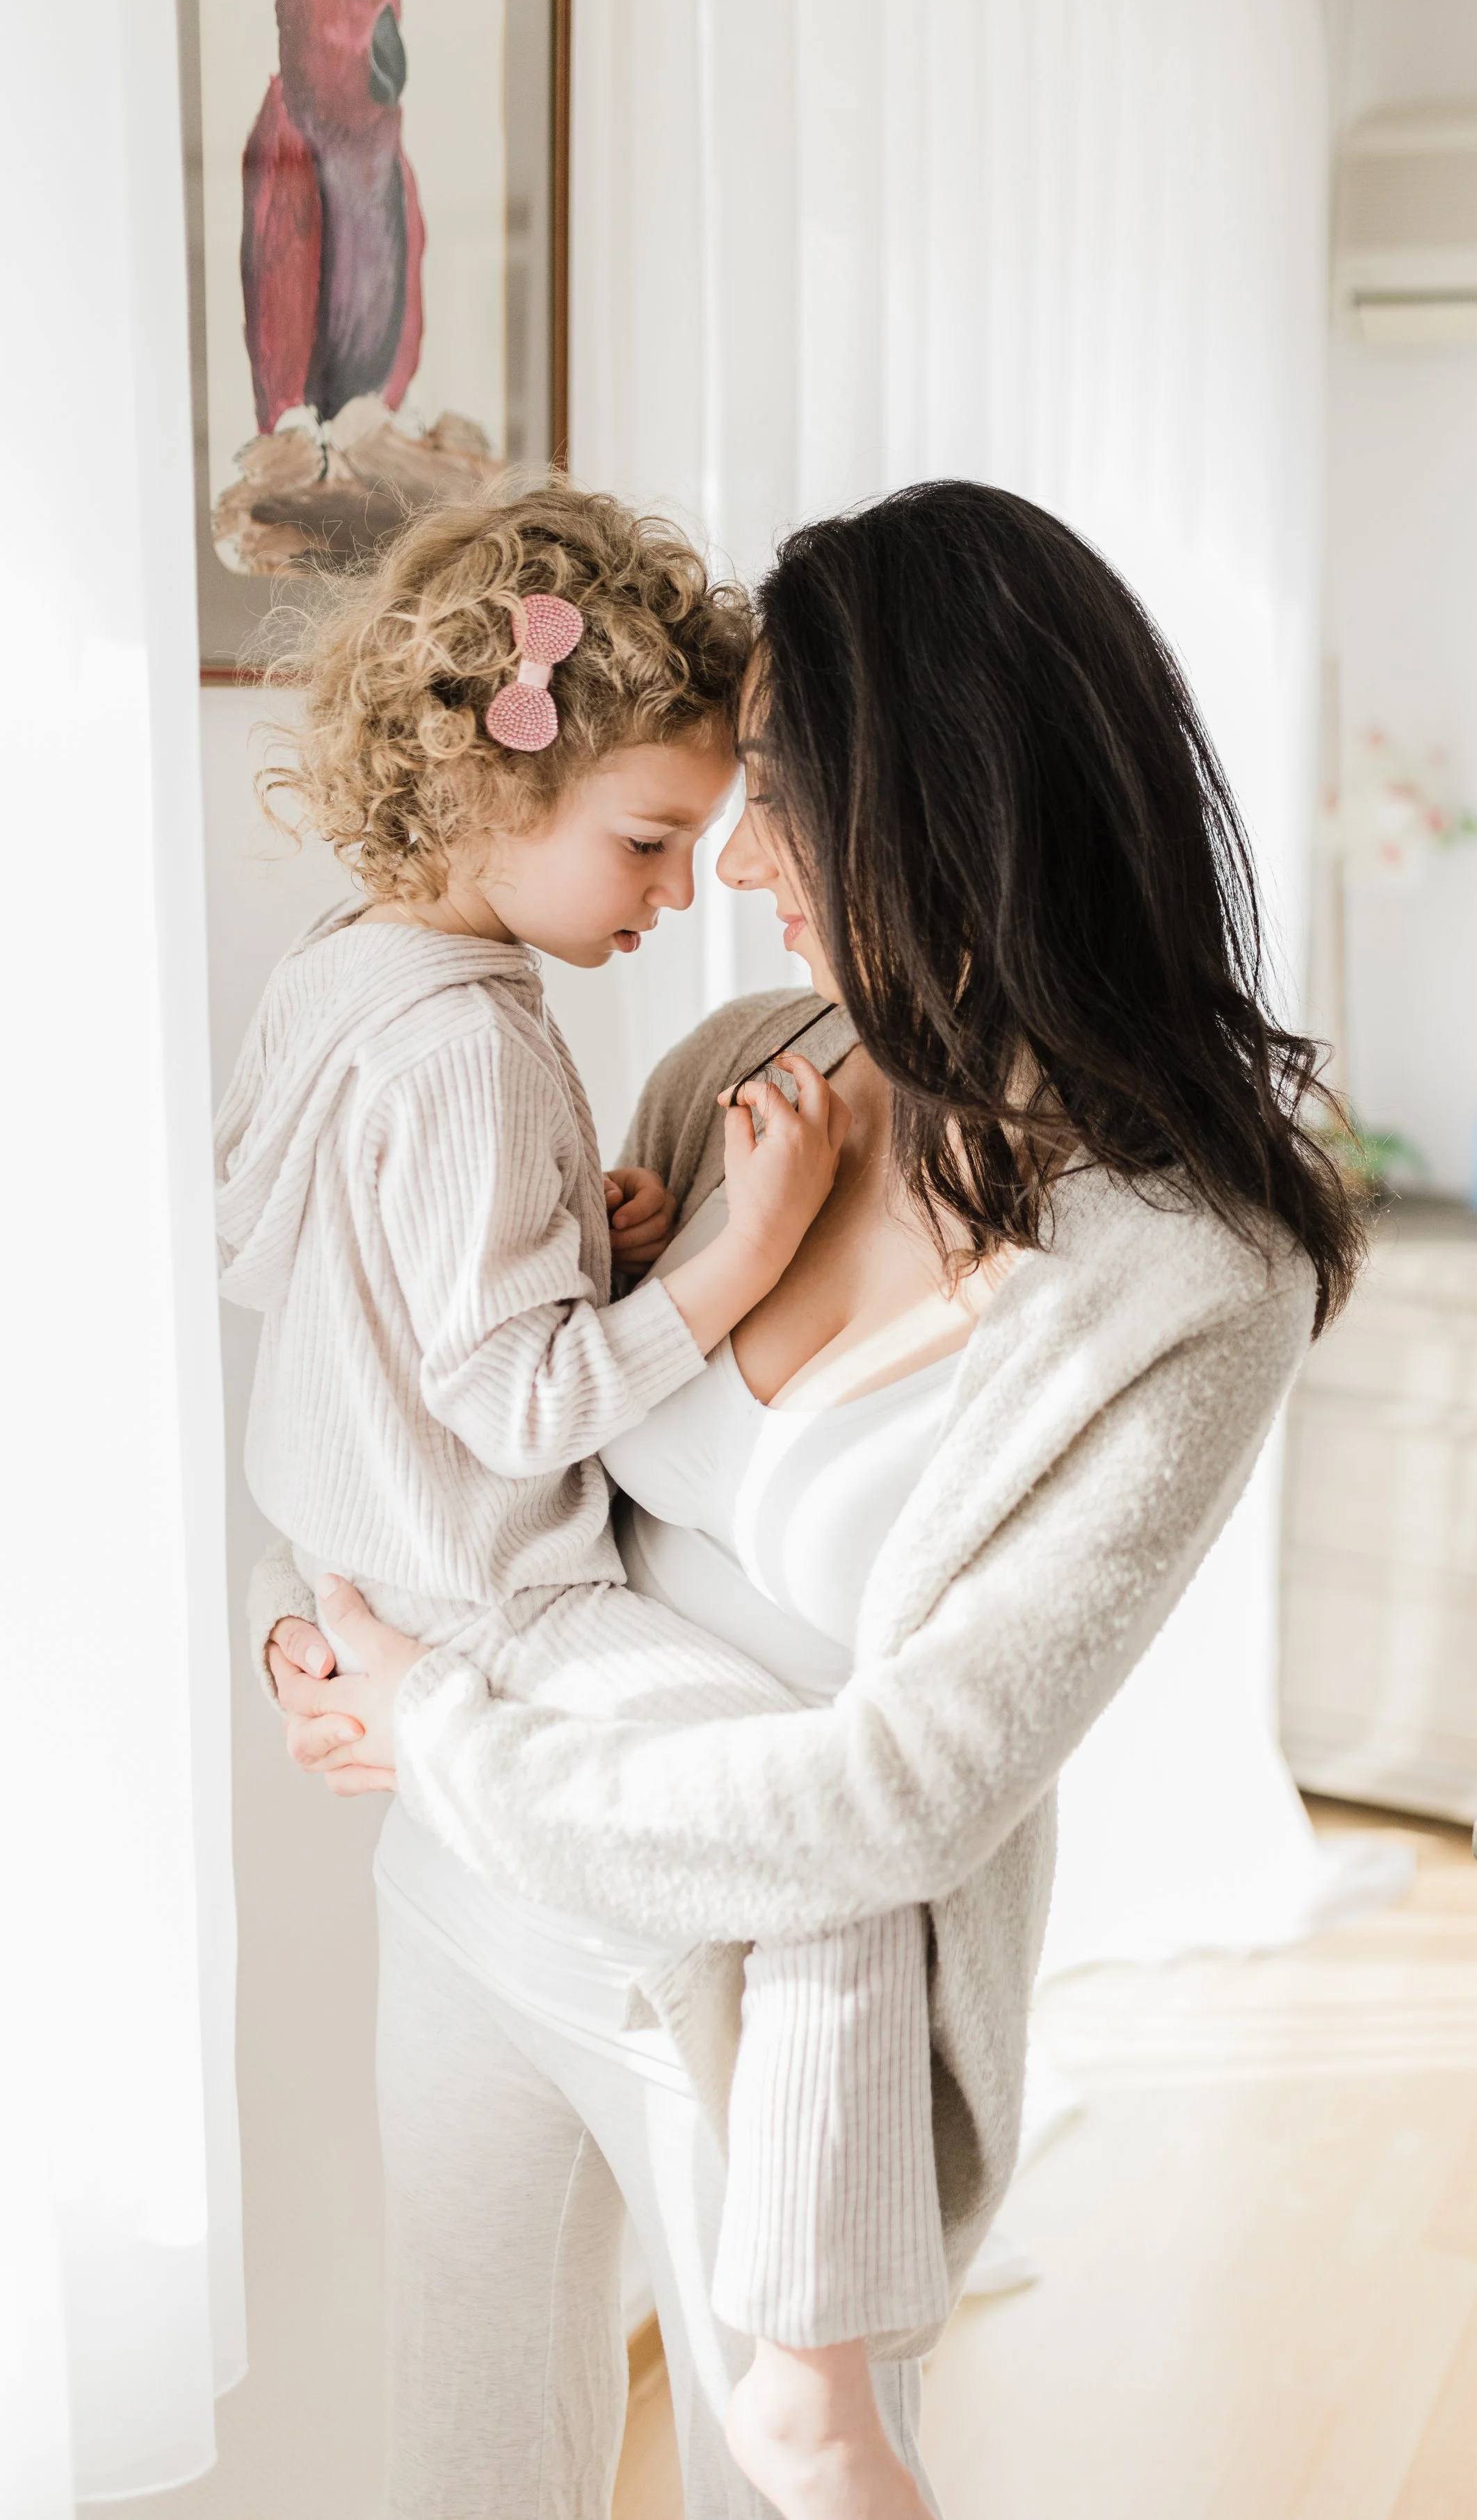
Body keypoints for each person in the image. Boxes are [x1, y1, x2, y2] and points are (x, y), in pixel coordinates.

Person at [264, 479, 1365, 2516]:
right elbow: (492, 1427)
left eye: (776, 791)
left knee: (798, 2487)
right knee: (465, 2464)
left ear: (943, 802)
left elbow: (904, 1794)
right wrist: (336, 1621)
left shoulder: (1190, 1277)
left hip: (771, 2013)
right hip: (476, 1896)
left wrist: (430, 1725)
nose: (736, 858)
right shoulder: (748, 1066)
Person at [219, 482, 953, 2520]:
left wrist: (581, 1232)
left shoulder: (347, 973)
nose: (680, 889)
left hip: (361, 1559)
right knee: (819, 1817)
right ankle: (822, 2356)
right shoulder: (476, 1044)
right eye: (643, 839)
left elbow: (328, 1246)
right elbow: (529, 1401)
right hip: (495, 1608)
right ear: (491, 772)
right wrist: (738, 1242)